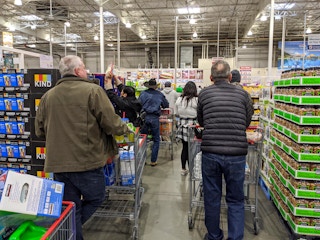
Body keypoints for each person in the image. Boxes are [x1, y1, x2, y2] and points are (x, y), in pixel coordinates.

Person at [35, 55, 130, 240]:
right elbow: (111, 123)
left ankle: (71, 231)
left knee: (70, 207)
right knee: (96, 198)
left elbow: (39, 131)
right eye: (84, 68)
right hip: (86, 161)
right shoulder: (93, 91)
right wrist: (125, 129)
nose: (87, 71)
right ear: (78, 71)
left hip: (59, 164)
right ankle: (72, 228)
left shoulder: (48, 96)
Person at [197, 60, 254, 240]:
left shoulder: (204, 94)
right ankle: (235, 237)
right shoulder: (243, 95)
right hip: (236, 154)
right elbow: (246, 121)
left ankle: (214, 235)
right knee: (236, 199)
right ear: (230, 77)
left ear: (211, 77)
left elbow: (202, 121)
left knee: (212, 197)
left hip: (211, 152)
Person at [139, 78, 169, 166]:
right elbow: (166, 105)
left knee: (143, 138)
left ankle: (142, 159)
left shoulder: (143, 94)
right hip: (155, 118)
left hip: (144, 117)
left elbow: (138, 104)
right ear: (156, 86)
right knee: (156, 139)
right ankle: (153, 160)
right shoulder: (159, 94)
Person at [175, 81, 198, 176]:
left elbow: (176, 114)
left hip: (182, 125)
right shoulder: (196, 100)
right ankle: (192, 169)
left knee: (184, 148)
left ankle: (183, 169)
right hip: (193, 126)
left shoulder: (180, 99)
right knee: (193, 149)